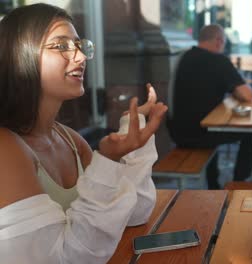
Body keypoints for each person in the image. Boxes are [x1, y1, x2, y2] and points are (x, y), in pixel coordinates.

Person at [0, 4, 167, 264]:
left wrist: (132, 136)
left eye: (79, 45)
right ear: (20, 54)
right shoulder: (5, 147)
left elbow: (135, 214)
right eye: (61, 46)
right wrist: (109, 163)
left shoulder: (69, 139)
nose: (80, 57)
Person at [168, 24, 252, 189]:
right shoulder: (218, 60)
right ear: (219, 41)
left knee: (211, 128)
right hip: (199, 133)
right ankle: (238, 182)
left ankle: (214, 185)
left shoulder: (184, 57)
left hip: (177, 132)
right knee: (251, 134)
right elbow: (247, 95)